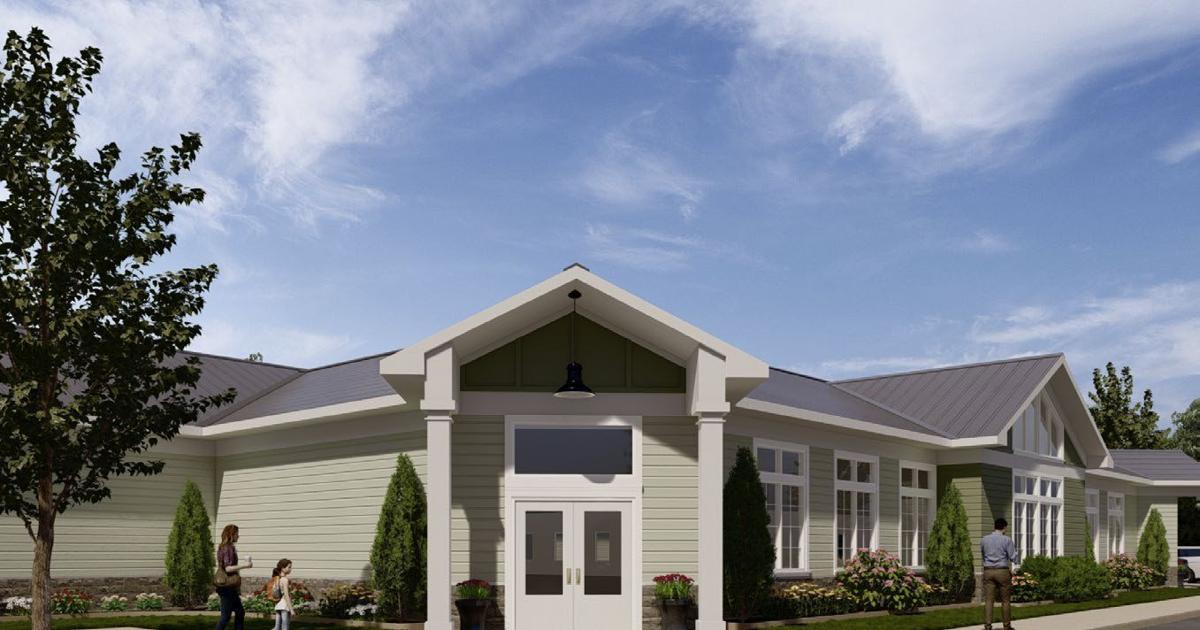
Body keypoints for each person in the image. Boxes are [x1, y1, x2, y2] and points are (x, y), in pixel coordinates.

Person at [980, 517, 1018, 630]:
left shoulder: (984, 539)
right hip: (1002, 571)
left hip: (988, 570)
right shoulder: (1007, 540)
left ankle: (987, 626)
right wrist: (1016, 559)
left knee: (988, 600)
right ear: (1004, 527)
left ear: (994, 527)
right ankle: (1006, 626)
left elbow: (983, 554)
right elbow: (1013, 557)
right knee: (1005, 600)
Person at [215, 524, 252, 630]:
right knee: (225, 617)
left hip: (228, 586)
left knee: (240, 612)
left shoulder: (224, 547)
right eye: (237, 534)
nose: (238, 536)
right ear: (231, 534)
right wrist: (245, 565)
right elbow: (228, 568)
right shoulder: (228, 548)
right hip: (227, 587)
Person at [269, 559, 295, 630]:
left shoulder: (277, 579)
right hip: (284, 605)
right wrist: (291, 609)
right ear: (283, 568)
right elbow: (286, 595)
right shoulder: (285, 580)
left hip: (278, 605)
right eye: (289, 567)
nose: (290, 569)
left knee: (277, 627)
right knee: (285, 627)